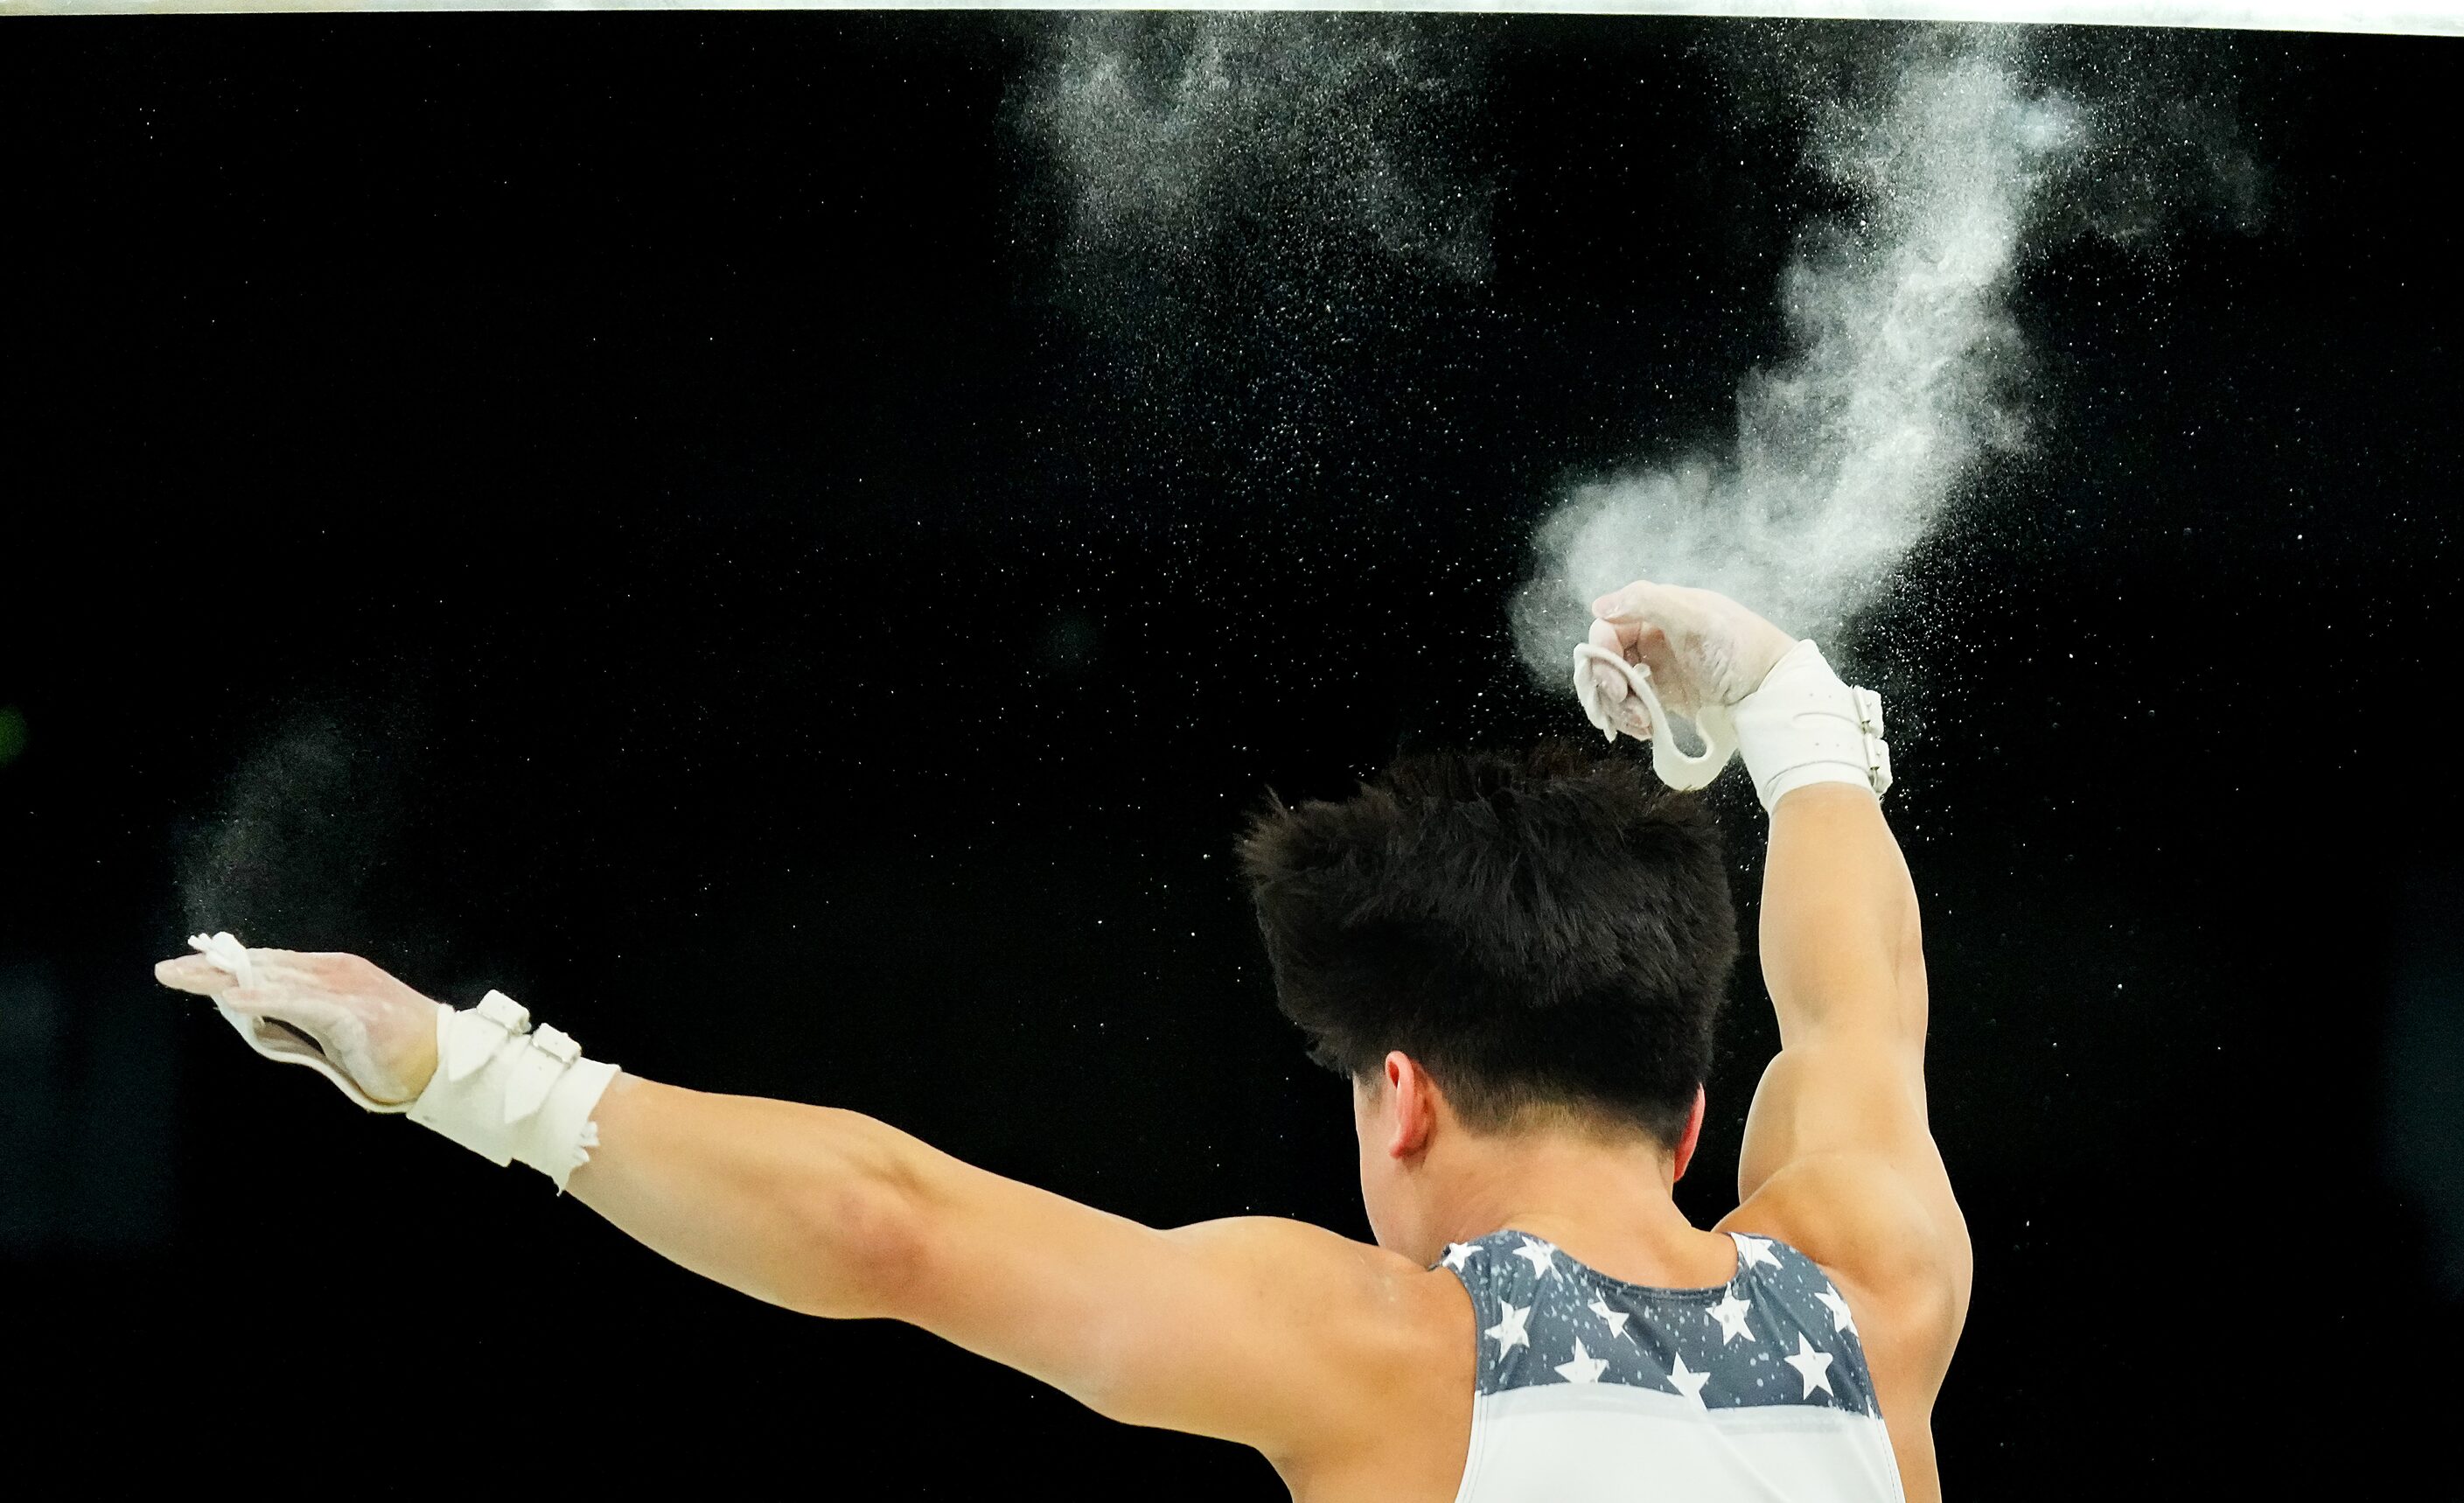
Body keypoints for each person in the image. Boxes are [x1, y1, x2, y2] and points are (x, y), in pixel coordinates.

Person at [153, 579, 1969, 1501]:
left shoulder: (1392, 1351)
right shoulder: (1867, 1297)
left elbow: (891, 1227)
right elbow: (1855, 1007)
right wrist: (1797, 716)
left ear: (1396, 1100)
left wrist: (450, 1070)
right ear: (1685, 1122)